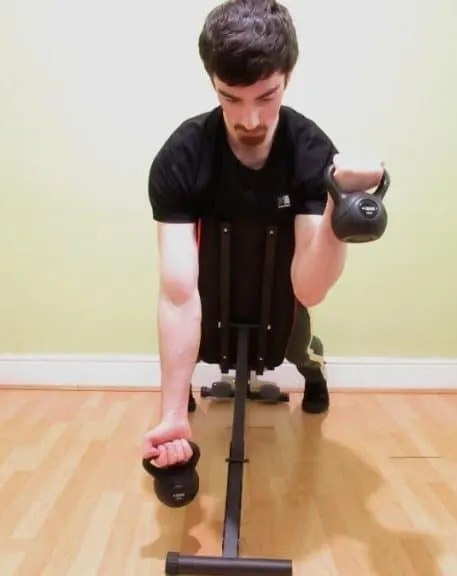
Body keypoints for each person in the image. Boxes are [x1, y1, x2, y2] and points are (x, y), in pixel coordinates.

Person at [142, 0, 384, 469]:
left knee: (297, 347)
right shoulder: (181, 157)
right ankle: (179, 400)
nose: (250, 119)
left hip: (286, 284)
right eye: (231, 98)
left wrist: (338, 202)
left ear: (287, 77)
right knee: (190, 338)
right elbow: (176, 294)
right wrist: (171, 413)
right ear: (212, 82)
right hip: (213, 280)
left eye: (266, 97)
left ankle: (316, 377)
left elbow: (309, 288)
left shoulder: (311, 151)